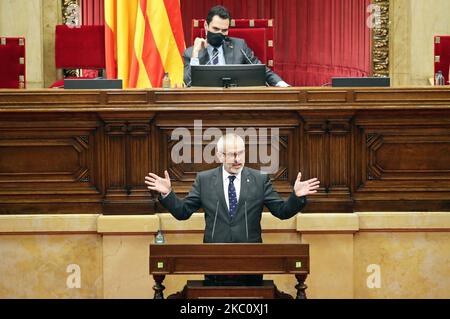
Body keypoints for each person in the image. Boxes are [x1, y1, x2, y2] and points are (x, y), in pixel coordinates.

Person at [145, 133, 320, 286]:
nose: (237, 159)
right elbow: (182, 212)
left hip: (251, 259)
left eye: (241, 153)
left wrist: (296, 197)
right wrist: (168, 193)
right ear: (220, 156)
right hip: (214, 259)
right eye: (232, 154)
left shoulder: (260, 180)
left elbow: (282, 211)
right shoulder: (204, 180)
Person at [184, 5, 289, 87]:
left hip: (235, 102)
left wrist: (282, 85)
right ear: (206, 26)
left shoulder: (239, 46)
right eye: (216, 29)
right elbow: (188, 84)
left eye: (224, 30)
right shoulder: (191, 53)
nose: (220, 33)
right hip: (207, 104)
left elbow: (261, 71)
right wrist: (195, 55)